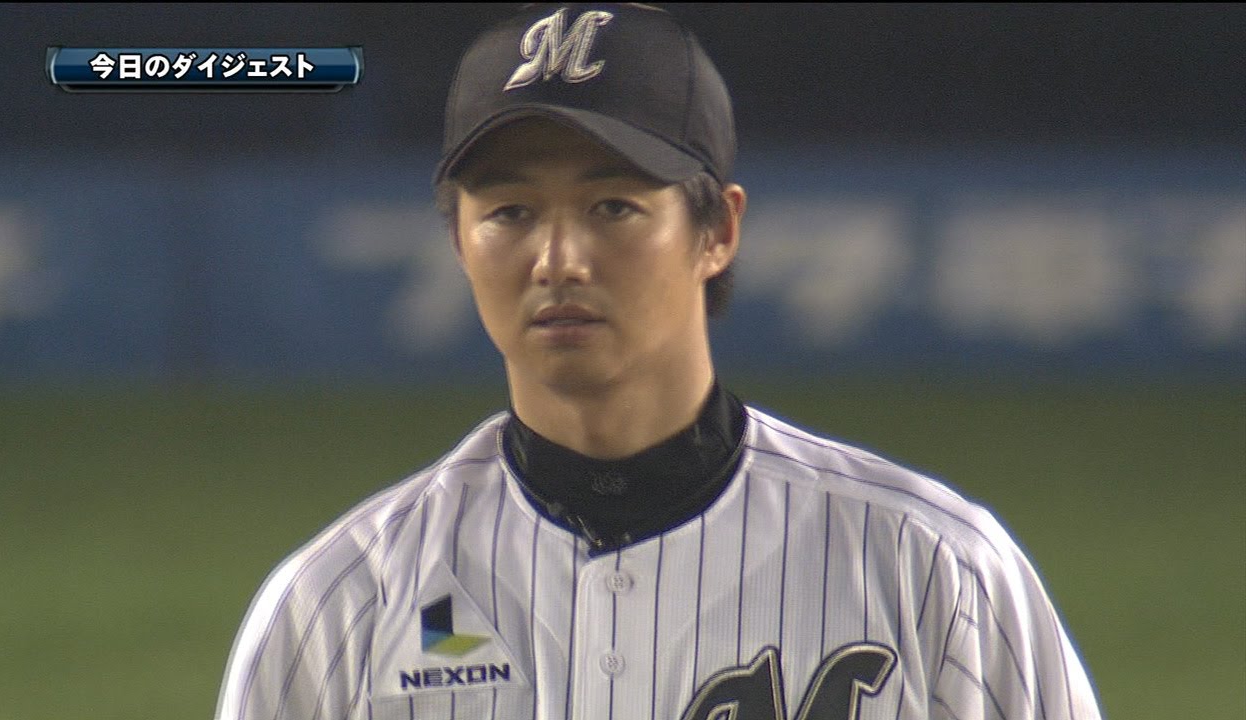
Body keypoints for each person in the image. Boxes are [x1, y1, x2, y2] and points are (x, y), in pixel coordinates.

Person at [215, 4, 1104, 719]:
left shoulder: (932, 571)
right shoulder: (339, 607)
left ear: (717, 230)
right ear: (457, 241)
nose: (557, 259)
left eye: (612, 207)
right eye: (510, 212)